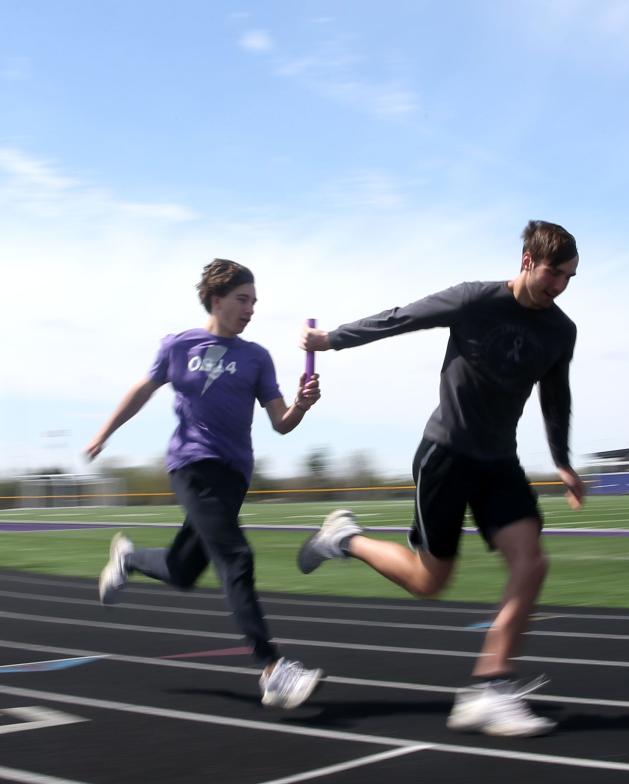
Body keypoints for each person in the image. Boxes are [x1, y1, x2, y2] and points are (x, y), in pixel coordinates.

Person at [297, 220, 585, 737]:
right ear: (527, 261)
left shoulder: (560, 331)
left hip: (499, 461)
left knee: (532, 561)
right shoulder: (474, 300)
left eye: (569, 278)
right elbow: (402, 318)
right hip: (447, 454)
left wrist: (562, 460)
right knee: (429, 582)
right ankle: (346, 538)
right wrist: (332, 339)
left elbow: (555, 395)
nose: (559, 286)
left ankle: (489, 688)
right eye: (553, 274)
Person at [85, 259, 325, 709]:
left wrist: (302, 404)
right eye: (242, 299)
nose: (251, 309)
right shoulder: (179, 345)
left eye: (254, 301)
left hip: (234, 476)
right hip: (192, 466)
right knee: (235, 556)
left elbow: (281, 423)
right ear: (216, 299)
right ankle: (273, 669)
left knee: (183, 570)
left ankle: (130, 556)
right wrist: (105, 432)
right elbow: (143, 389)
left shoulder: (257, 357)